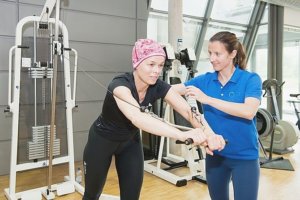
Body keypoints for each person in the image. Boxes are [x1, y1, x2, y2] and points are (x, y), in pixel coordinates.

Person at [82, 38, 226, 200]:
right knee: (91, 196)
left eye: (160, 65)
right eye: (151, 64)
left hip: (130, 142)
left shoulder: (159, 86)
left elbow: (187, 111)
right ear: (137, 63)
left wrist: (209, 134)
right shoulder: (119, 86)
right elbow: (137, 117)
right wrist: (182, 134)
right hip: (102, 140)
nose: (157, 70)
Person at [173, 31, 262, 200]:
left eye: (217, 54)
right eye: (210, 53)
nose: (212, 58)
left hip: (244, 157)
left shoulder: (250, 79)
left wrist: (207, 99)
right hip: (216, 156)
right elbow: (170, 92)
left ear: (233, 54)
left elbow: (248, 112)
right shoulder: (204, 80)